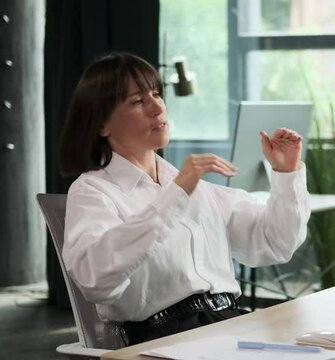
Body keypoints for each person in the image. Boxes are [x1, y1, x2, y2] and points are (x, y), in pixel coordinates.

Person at [59, 52, 311, 345]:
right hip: (163, 339)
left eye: (156, 94)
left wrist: (285, 172)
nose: (157, 108)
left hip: (230, 324)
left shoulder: (194, 187)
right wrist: (174, 195)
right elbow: (96, 279)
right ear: (102, 124)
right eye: (138, 101)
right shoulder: (92, 192)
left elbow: (276, 243)